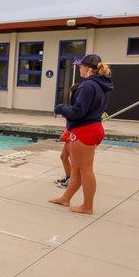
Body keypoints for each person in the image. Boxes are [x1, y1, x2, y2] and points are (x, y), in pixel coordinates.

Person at [49, 54, 113, 214]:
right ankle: (66, 198)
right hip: (93, 127)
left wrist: (60, 107)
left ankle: (87, 206)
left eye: (80, 65)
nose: (78, 67)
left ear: (89, 69)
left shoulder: (88, 85)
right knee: (77, 168)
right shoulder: (101, 85)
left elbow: (78, 111)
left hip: (84, 130)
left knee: (85, 170)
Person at [54, 83, 80, 189]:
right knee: (63, 156)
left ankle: (72, 181)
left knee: (74, 161)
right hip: (69, 134)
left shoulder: (78, 107)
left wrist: (60, 108)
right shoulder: (73, 106)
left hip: (74, 135)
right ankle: (68, 177)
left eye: (71, 94)